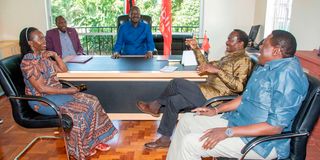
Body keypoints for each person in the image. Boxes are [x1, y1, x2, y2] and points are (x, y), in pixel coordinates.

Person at [166, 30, 309, 160]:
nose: (259, 47)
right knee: (186, 120)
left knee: (189, 143)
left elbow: (275, 127)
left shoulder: (288, 77)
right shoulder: (265, 66)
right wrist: (216, 110)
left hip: (260, 142)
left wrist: (228, 132)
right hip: (238, 121)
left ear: (276, 51)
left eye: (264, 45)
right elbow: (245, 98)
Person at [137, 29, 254, 149]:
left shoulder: (244, 60)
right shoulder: (228, 57)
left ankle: (155, 105)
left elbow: (239, 86)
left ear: (240, 44)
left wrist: (218, 71)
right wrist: (196, 48)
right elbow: (205, 64)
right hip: (206, 92)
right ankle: (165, 140)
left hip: (214, 100)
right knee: (173, 101)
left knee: (177, 83)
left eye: (230, 40)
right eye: (228, 39)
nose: (227, 42)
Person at [19, 27, 117, 159]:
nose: (44, 40)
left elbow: (63, 69)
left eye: (43, 37)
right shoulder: (28, 62)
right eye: (40, 38)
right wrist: (68, 90)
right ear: (31, 43)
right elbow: (42, 89)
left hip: (56, 94)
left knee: (92, 100)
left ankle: (94, 141)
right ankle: (78, 149)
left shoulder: (44, 57)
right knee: (80, 112)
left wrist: (54, 55)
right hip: (42, 100)